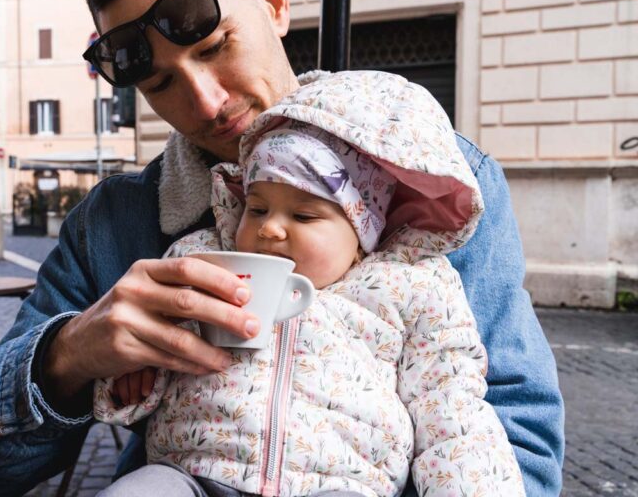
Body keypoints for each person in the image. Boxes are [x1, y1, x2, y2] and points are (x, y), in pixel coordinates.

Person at [0, 0, 564, 495]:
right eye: (160, 84)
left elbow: (516, 434)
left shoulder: (436, 184)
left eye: (213, 46)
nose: (205, 102)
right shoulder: (114, 224)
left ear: (275, 1)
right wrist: (67, 358)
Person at [93, 72, 526, 497]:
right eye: (258, 208)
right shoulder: (200, 260)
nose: (270, 230)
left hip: (341, 484)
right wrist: (130, 375)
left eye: (303, 216)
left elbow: (450, 410)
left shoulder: (410, 289)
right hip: (190, 472)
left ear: (361, 232)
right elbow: (148, 341)